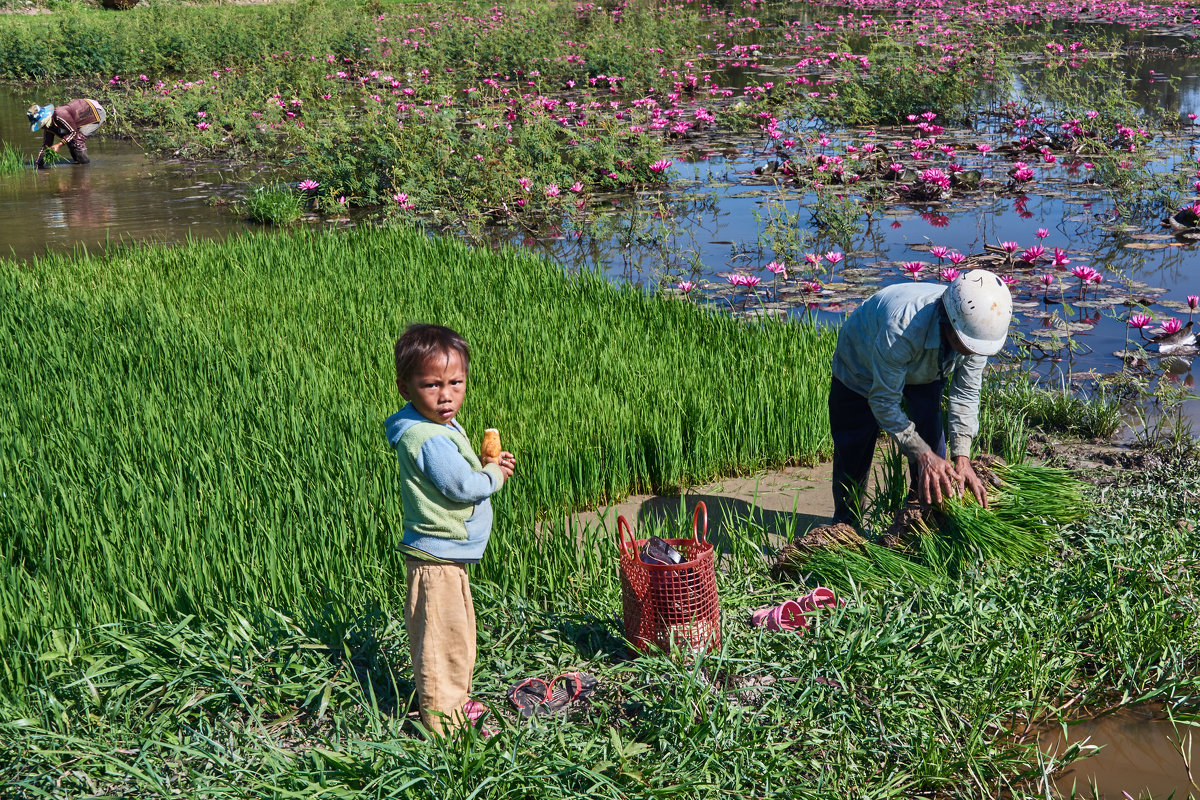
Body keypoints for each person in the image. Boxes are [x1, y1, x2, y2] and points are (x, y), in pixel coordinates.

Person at [384, 323, 516, 736]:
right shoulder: (427, 438)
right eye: (432, 385)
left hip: (449, 556)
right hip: (436, 560)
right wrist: (493, 474)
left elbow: (456, 471)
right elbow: (461, 486)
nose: (446, 395)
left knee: (458, 633)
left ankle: (455, 699)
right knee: (440, 641)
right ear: (406, 389)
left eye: (456, 382)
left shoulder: (439, 427)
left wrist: (482, 463)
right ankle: (444, 724)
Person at [829, 269, 1012, 528]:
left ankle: (917, 523)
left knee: (937, 458)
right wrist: (922, 454)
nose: (971, 353)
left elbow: (966, 393)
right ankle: (847, 527)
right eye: (966, 346)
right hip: (862, 366)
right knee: (853, 451)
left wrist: (962, 457)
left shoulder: (976, 332)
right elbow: (883, 402)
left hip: (928, 368)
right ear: (948, 322)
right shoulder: (902, 328)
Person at [27, 99, 107, 168]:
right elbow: (46, 145)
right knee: (69, 139)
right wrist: (38, 164)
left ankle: (84, 166)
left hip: (94, 112)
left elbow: (73, 132)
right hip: (78, 117)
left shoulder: (60, 115)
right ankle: (77, 162)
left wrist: (59, 144)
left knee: (77, 139)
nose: (41, 127)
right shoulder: (48, 127)